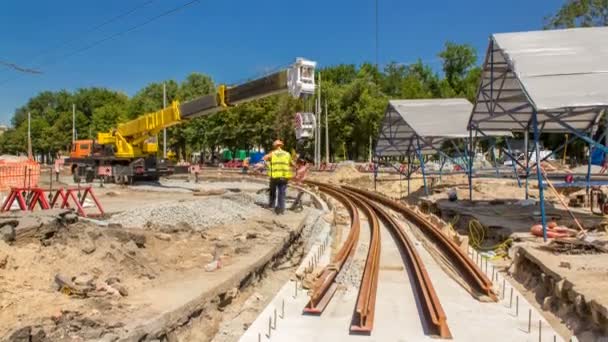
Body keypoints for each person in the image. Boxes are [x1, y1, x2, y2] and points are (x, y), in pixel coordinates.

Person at [264, 140, 293, 215]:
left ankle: (272, 205)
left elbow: (264, 159)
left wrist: (268, 165)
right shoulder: (287, 154)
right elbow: (292, 164)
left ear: (274, 146)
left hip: (274, 175)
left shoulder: (272, 153)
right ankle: (281, 209)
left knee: (273, 191)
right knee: (282, 193)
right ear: (281, 146)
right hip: (284, 176)